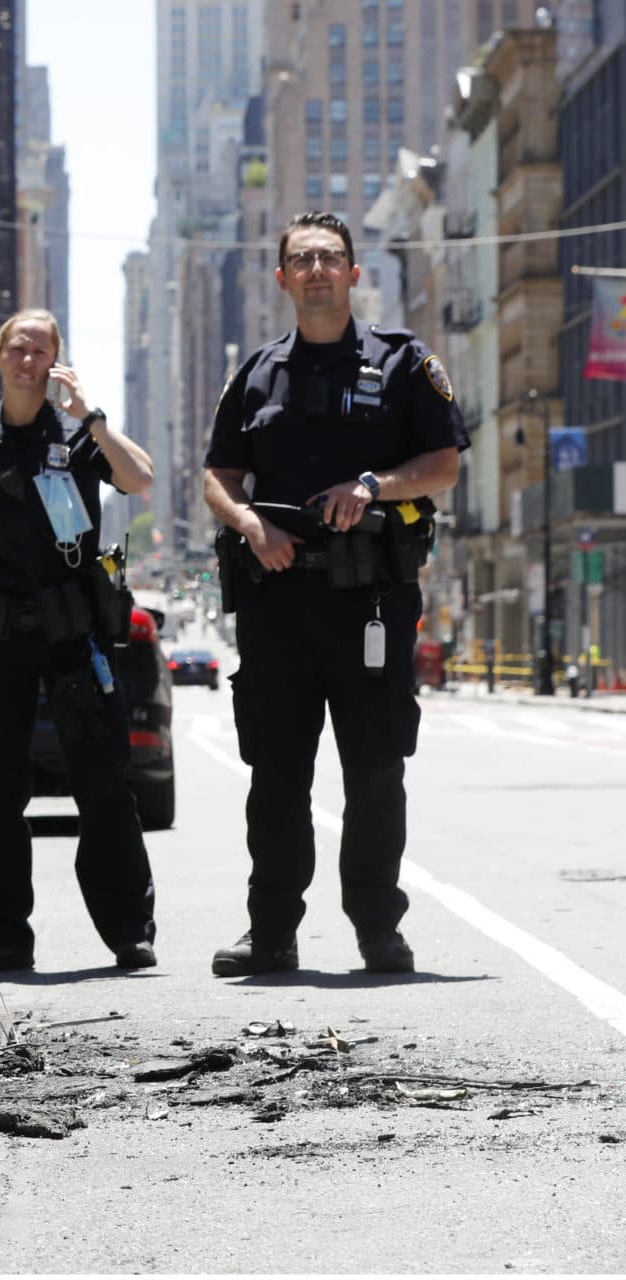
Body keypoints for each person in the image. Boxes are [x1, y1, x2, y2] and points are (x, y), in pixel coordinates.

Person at [203, 212, 468, 976]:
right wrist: (253, 526)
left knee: (377, 769)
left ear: (354, 274)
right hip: (278, 598)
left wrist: (374, 486)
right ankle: (271, 931)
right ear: (282, 278)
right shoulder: (255, 374)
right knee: (277, 773)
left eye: (330, 258)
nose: (316, 269)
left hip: (373, 601)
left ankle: (378, 928)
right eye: (301, 260)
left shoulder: (403, 362)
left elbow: (444, 463)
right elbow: (219, 477)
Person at [0, 309, 159, 972]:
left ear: (57, 363)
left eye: (42, 351)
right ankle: (3, 935)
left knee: (104, 783)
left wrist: (93, 417)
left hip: (74, 633)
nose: (29, 360)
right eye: (19, 349)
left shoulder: (80, 438)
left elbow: (140, 480)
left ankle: (128, 931)